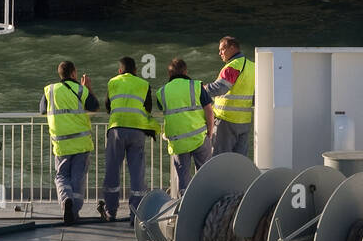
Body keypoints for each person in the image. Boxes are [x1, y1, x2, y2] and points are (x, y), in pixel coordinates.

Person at [40, 60, 99, 225]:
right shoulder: (81, 89)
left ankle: (66, 199)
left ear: (60, 74)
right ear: (74, 74)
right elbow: (94, 106)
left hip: (61, 143)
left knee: (61, 176)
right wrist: (88, 88)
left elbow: (42, 109)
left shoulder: (50, 90)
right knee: (78, 178)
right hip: (81, 143)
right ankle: (74, 213)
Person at [98, 55, 153, 225]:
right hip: (137, 130)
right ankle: (135, 215)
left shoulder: (113, 82)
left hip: (117, 129)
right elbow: (149, 108)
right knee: (137, 173)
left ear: (120, 70)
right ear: (136, 70)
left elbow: (108, 106)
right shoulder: (144, 84)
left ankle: (110, 211)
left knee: (112, 170)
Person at [154, 58, 214, 196]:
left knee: (183, 178)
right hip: (199, 137)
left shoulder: (161, 92)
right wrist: (209, 132)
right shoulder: (196, 86)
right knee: (205, 174)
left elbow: (163, 109)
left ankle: (184, 208)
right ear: (186, 71)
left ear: (169, 74)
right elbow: (209, 111)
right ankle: (207, 204)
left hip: (178, 142)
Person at [205, 36, 255, 158]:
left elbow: (220, 88)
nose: (220, 53)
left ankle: (220, 178)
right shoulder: (252, 66)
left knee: (220, 159)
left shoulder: (233, 66)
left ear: (232, 48)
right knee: (239, 160)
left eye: (222, 49)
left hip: (226, 120)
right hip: (244, 121)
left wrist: (200, 89)